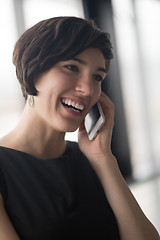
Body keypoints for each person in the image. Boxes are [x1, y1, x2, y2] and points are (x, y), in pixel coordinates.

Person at [0, 16, 159, 240]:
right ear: (34, 73)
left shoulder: (93, 161)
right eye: (71, 67)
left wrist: (103, 158)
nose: (88, 89)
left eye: (97, 77)